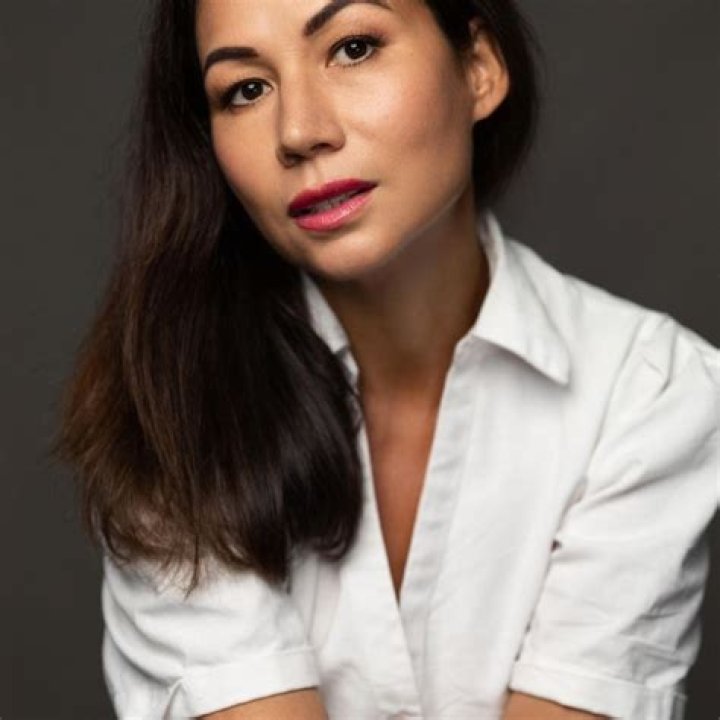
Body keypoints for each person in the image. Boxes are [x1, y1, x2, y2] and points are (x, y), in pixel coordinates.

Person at [53, 0, 720, 718]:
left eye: (353, 48)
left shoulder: (647, 391)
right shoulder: (177, 405)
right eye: (246, 89)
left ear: (479, 68)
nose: (300, 131)